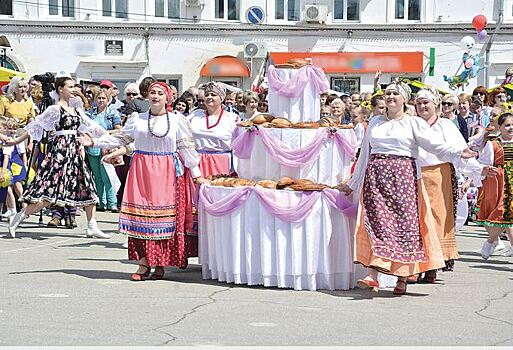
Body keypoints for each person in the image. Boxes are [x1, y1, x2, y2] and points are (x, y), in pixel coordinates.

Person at [338, 81, 477, 296]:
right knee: (376, 224)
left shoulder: (413, 123)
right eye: (387, 93)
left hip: (403, 180)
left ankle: (402, 278)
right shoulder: (374, 122)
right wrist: (353, 184)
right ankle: (372, 275)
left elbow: (434, 145)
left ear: (403, 99)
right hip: (376, 179)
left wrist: (458, 153)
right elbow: (364, 155)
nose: (391, 97)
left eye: (395, 93)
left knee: (405, 228)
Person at [79, 82, 208, 281]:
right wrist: (95, 142)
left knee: (164, 219)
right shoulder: (137, 119)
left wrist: (196, 173)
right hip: (142, 170)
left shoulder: (176, 120)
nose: (155, 96)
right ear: (147, 97)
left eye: (160, 93)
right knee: (142, 217)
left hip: (167, 172)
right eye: (152, 93)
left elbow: (186, 148)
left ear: (168, 98)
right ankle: (143, 263)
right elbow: (121, 139)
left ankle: (160, 263)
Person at [6, 77, 109, 239]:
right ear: (60, 89)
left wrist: (112, 136)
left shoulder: (76, 110)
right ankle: (20, 216)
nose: (74, 89)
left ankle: (92, 225)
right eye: (70, 86)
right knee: (49, 195)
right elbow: (36, 125)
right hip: (60, 153)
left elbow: (91, 126)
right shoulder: (55, 109)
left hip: (75, 152)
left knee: (88, 187)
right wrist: (16, 140)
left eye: (74, 86)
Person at [414, 88, 495, 283]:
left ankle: (433, 265)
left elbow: (461, 152)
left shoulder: (445, 126)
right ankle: (416, 264)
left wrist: (477, 169)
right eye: (419, 103)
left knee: (437, 220)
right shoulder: (413, 124)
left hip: (439, 175)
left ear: (436, 105)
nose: (423, 106)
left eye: (426, 103)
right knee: (416, 221)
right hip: (415, 175)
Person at [476, 112, 513, 259]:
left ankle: (490, 242)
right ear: (500, 127)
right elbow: (484, 165)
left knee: (507, 215)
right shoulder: (493, 144)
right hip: (500, 183)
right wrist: (480, 181)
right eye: (507, 125)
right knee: (503, 213)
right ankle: (491, 241)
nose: (511, 128)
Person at [187, 82, 238, 177]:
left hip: (221, 162)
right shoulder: (194, 115)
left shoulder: (232, 118)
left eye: (213, 95)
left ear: (221, 98)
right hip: (198, 162)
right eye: (206, 95)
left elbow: (238, 144)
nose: (209, 97)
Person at [86, 88, 122, 212]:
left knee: (108, 176)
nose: (101, 100)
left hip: (106, 148)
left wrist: (106, 133)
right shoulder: (90, 113)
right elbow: (85, 129)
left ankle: (112, 203)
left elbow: (119, 129)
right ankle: (102, 203)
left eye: (103, 98)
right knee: (97, 177)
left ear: (108, 100)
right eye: (99, 98)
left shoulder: (113, 113)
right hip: (93, 149)